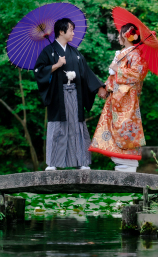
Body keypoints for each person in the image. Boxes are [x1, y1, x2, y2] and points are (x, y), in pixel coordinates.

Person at [34, 18, 107, 171]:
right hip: (57, 96)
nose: (73, 33)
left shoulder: (75, 53)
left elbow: (86, 73)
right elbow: (39, 72)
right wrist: (56, 65)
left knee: (77, 126)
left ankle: (81, 161)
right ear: (61, 31)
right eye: (71, 30)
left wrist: (99, 88)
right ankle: (53, 162)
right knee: (58, 126)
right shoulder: (48, 52)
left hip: (75, 94)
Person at [89, 23, 149, 172]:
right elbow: (113, 76)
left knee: (125, 127)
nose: (118, 36)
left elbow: (138, 74)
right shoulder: (124, 53)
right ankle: (121, 162)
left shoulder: (136, 54)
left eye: (120, 33)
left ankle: (128, 164)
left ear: (126, 35)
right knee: (112, 127)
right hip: (116, 97)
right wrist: (106, 87)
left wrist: (118, 69)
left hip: (127, 99)